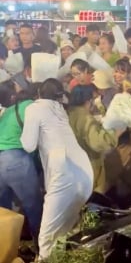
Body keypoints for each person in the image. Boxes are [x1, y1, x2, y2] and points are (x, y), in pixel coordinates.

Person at [21, 78, 93, 260]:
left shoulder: (34, 108)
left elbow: (28, 145)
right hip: (84, 170)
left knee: (46, 235)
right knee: (65, 230)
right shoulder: (60, 109)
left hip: (64, 171)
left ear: (38, 94)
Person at [0, 86, 43, 250]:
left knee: (3, 210)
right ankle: (40, 247)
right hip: (16, 160)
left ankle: (6, 248)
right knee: (33, 204)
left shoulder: (9, 110)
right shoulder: (32, 106)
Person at [69, 85, 122, 194]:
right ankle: (90, 212)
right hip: (89, 166)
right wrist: (114, 133)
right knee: (90, 199)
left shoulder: (68, 114)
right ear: (88, 101)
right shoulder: (86, 119)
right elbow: (98, 143)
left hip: (72, 166)